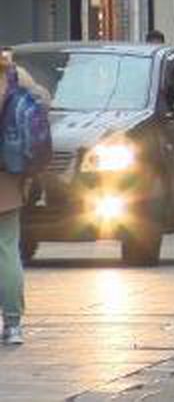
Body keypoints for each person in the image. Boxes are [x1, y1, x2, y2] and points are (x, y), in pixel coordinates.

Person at [0, 53, 49, 346]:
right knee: (7, 248)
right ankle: (13, 323)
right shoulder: (14, 75)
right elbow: (44, 99)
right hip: (8, 175)